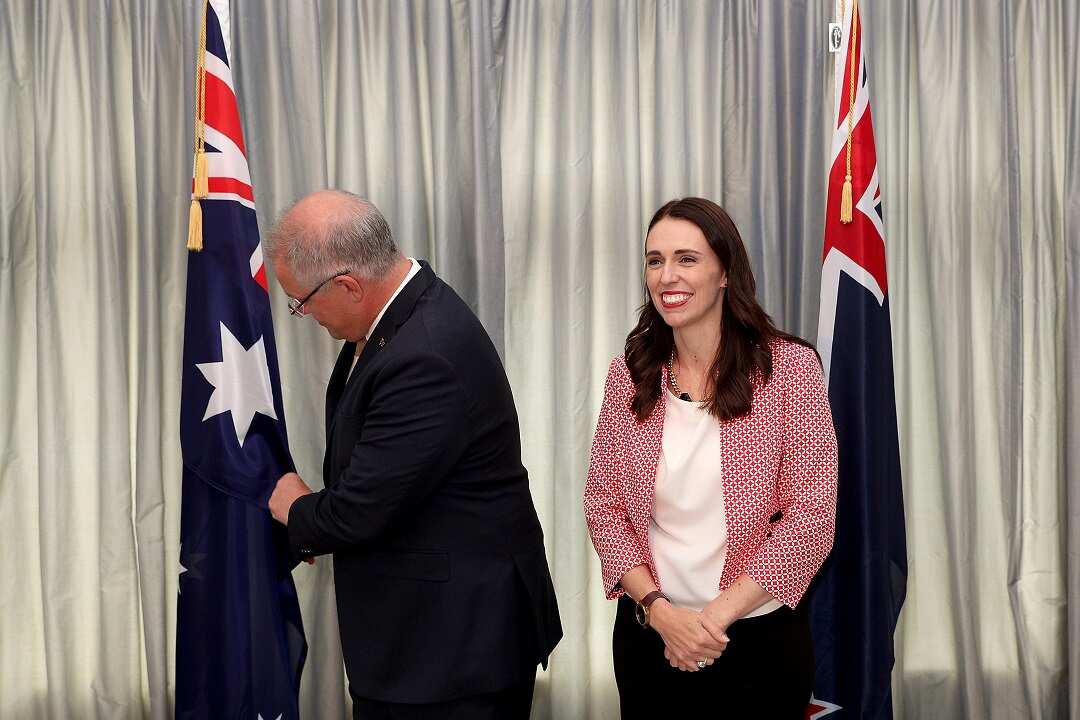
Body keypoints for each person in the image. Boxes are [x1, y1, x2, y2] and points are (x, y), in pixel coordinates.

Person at [265, 189, 562, 719]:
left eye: (302, 303)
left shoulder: (425, 353)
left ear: (348, 284)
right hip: (426, 635)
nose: (303, 315)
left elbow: (359, 511)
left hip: (451, 653)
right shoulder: (399, 316)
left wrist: (295, 506)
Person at [582, 197, 837, 718]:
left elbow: (811, 518)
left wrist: (710, 621)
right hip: (651, 639)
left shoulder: (789, 370)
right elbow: (602, 505)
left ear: (725, 272)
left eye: (687, 259)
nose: (667, 275)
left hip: (757, 644)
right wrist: (660, 613)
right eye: (655, 260)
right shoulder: (630, 375)